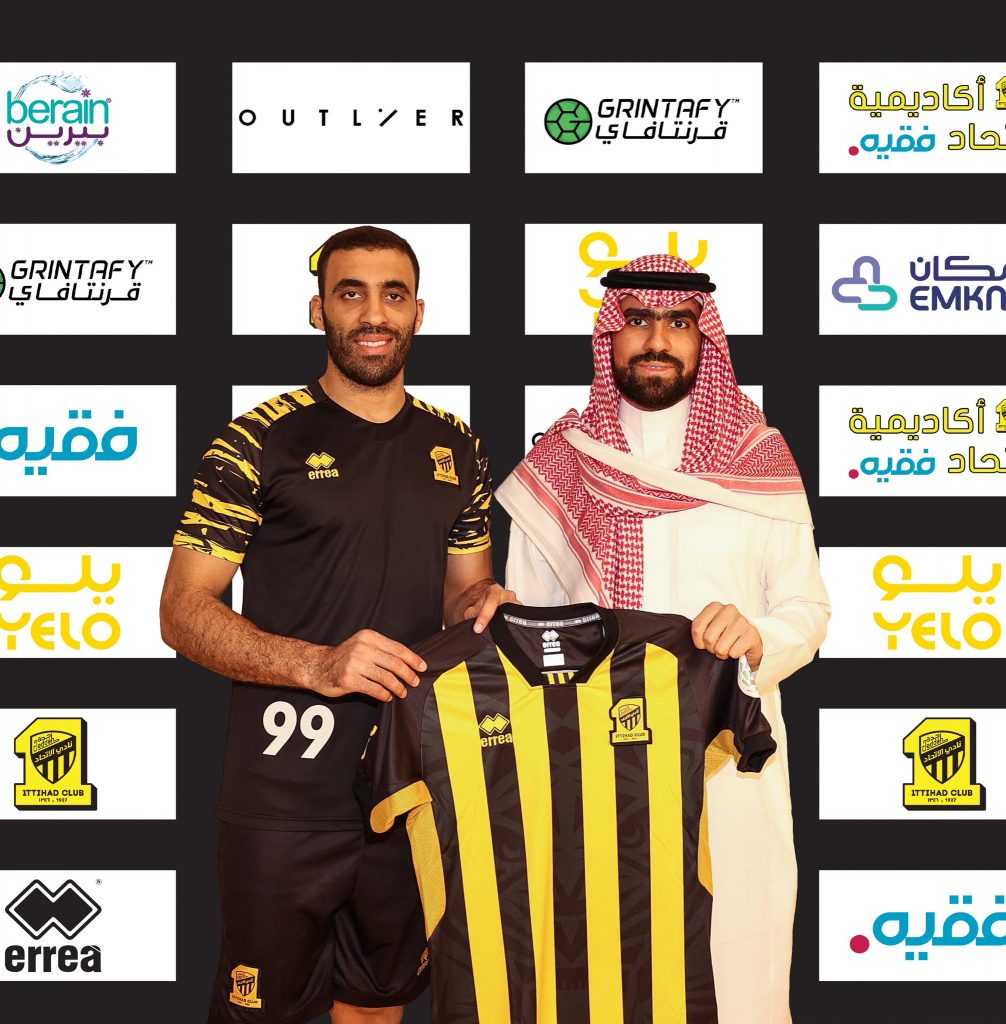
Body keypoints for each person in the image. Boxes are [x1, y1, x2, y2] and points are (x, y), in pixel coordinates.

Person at [160, 225, 514, 1024]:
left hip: (410, 781)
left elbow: (466, 593)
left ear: (418, 312)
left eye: (393, 295)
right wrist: (318, 665)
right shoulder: (256, 438)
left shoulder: (457, 446)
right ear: (319, 310)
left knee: (378, 1006)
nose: (373, 314)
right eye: (351, 293)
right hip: (283, 790)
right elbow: (182, 613)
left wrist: (487, 605)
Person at [498, 252, 830, 1024]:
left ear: (703, 337)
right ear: (608, 336)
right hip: (589, 770)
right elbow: (529, 630)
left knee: (736, 969)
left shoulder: (759, 457)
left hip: (728, 765)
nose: (657, 339)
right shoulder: (560, 465)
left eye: (678, 322)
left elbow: (807, 609)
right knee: (602, 974)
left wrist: (756, 635)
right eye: (638, 319)